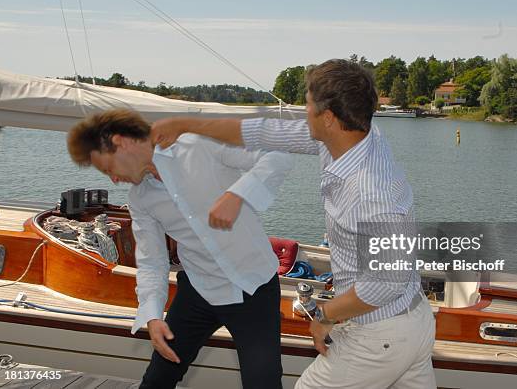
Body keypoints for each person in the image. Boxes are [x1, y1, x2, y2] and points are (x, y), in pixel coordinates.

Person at [151, 59, 436, 389]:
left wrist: (325, 316)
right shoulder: (353, 138)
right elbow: (265, 131)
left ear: (328, 118)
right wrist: (188, 124)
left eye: (308, 104)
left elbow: (385, 282)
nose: (304, 111)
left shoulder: (371, 191)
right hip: (410, 323)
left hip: (380, 335)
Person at [67, 109, 291, 389]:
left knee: (263, 385)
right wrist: (151, 315)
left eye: (108, 168)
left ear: (120, 142)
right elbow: (151, 261)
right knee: (156, 381)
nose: (113, 179)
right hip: (198, 290)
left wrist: (238, 194)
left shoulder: (199, 144)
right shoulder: (140, 198)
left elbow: (277, 155)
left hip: (253, 287)